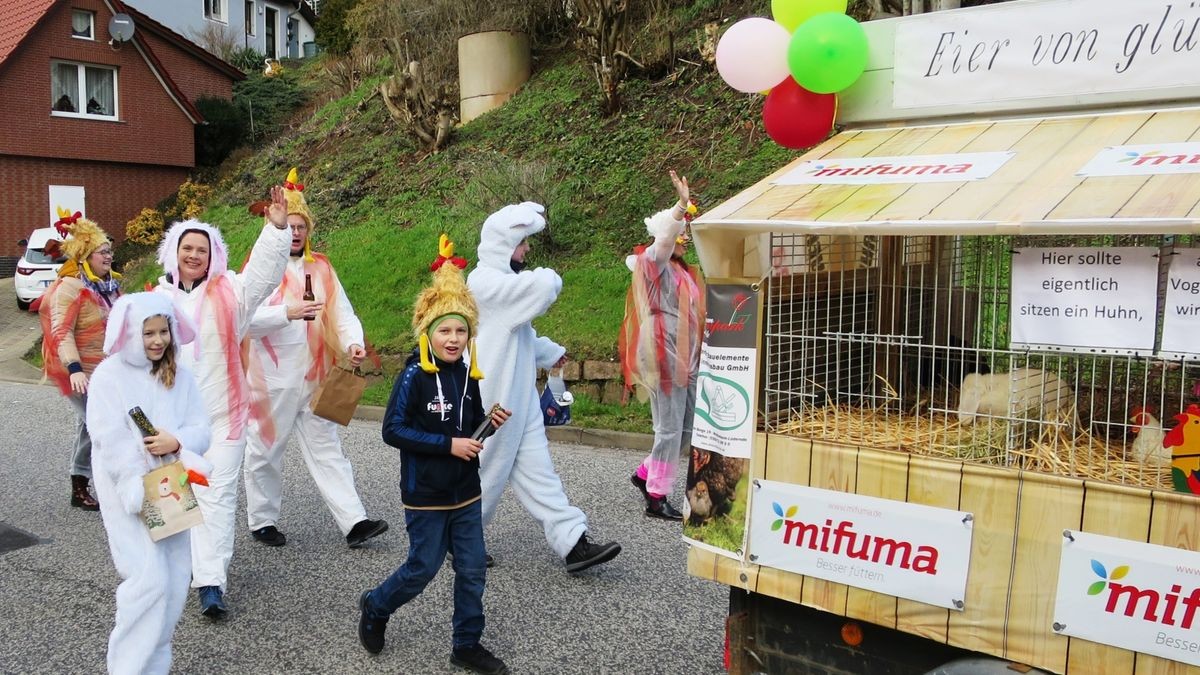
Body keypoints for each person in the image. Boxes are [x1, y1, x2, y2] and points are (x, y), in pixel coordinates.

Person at [358, 236, 510, 675]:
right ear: (428, 331)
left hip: (466, 490)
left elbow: (468, 425)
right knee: (422, 568)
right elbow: (393, 430)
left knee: (472, 570)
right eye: (445, 329)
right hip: (424, 491)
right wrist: (449, 445)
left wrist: (487, 424)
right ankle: (376, 604)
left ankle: (466, 644)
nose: (454, 338)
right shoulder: (412, 376)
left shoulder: (467, 374)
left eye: (461, 330)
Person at [152, 186, 292, 619]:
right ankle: (168, 575)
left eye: (201, 249)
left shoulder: (232, 292)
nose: (194, 255)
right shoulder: (155, 300)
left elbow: (264, 277)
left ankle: (210, 581)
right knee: (171, 499)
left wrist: (276, 229)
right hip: (167, 426)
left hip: (222, 420)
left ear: (214, 254)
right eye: (186, 248)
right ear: (173, 254)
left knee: (217, 499)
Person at [467, 202, 621, 573]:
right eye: (522, 243)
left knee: (540, 474)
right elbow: (544, 287)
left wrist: (550, 354)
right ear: (505, 243)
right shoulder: (486, 282)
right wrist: (550, 274)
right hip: (496, 402)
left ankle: (573, 543)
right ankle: (462, 539)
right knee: (486, 470)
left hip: (519, 400)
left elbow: (519, 333)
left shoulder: (498, 283)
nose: (527, 251)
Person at [243, 169, 387, 549]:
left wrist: (353, 342)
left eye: (300, 226)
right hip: (272, 381)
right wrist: (285, 313)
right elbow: (244, 321)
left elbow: (342, 312)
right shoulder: (260, 271)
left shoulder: (321, 266)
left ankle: (354, 521)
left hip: (318, 377)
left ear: (308, 229)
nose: (294, 232)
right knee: (265, 451)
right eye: (288, 225)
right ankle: (262, 519)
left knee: (328, 448)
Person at [87, 292, 212, 675]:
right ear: (128, 333)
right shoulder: (110, 375)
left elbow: (201, 427)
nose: (158, 341)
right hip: (127, 486)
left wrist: (176, 441)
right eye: (148, 333)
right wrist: (132, 481)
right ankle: (126, 668)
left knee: (175, 580)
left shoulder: (181, 374)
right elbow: (107, 435)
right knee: (147, 579)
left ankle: (153, 665)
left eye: (163, 332)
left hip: (169, 482)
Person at [620, 170, 704, 520]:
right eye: (680, 233)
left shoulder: (681, 271)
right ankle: (656, 496)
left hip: (682, 352)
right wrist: (680, 206)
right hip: (662, 349)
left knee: (685, 428)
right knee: (669, 427)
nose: (684, 238)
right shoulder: (652, 264)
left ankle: (645, 474)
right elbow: (664, 241)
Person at [39, 209, 123, 511]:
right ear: (85, 256)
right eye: (103, 252)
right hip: (76, 372)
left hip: (103, 371)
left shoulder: (109, 286)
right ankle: (111, 482)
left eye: (110, 251)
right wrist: (74, 369)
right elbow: (61, 331)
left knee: (88, 426)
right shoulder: (70, 288)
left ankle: (79, 483)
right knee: (102, 425)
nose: (109, 256)